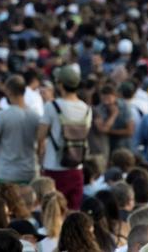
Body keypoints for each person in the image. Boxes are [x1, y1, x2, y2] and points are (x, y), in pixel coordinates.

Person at [37, 66, 92, 210]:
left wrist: (39, 155)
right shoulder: (87, 109)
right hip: (76, 167)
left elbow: (40, 136)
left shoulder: (52, 106)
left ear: (60, 84)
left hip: (54, 167)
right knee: (73, 212)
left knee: (53, 211)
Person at [0, 76, 41, 185]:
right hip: (30, 172)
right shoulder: (36, 116)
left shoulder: (2, 115)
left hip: (7, 174)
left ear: (8, 92)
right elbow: (41, 146)